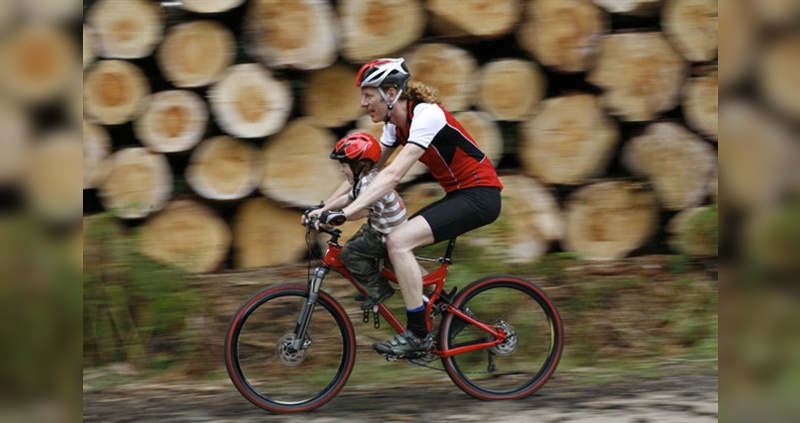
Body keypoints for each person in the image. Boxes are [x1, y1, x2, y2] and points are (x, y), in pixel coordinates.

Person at [312, 57, 503, 357]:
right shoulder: (394, 125)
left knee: (397, 241)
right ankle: (446, 311)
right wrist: (323, 207)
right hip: (459, 195)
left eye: (368, 94)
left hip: (481, 195)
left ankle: (417, 335)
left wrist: (346, 214)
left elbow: (393, 175)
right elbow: (364, 175)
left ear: (391, 94)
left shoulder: (427, 115)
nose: (363, 103)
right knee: (395, 247)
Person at [308, 132, 407, 311]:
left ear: (360, 165)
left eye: (344, 165)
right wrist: (322, 210)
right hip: (379, 230)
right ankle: (371, 284)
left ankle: (379, 289)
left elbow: (362, 211)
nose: (341, 170)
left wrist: (336, 218)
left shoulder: (371, 183)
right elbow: (347, 198)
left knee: (349, 254)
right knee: (355, 243)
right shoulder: (364, 180)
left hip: (389, 236)